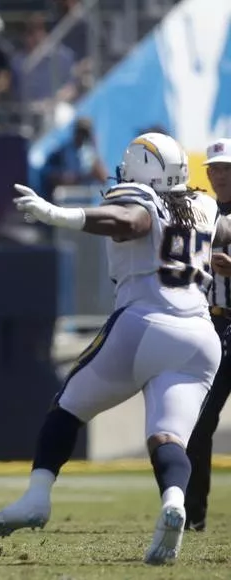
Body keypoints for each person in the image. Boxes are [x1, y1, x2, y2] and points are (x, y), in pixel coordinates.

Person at [0, 133, 221, 566]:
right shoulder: (204, 204)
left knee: (67, 408)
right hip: (201, 337)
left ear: (140, 169)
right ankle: (174, 502)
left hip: (146, 320)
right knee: (168, 437)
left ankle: (37, 497)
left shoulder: (141, 197)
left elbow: (131, 222)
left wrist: (57, 214)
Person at [185, 138, 231, 531]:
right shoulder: (202, 210)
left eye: (227, 168)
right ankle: (192, 515)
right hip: (213, 325)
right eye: (214, 168)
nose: (219, 174)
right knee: (199, 421)